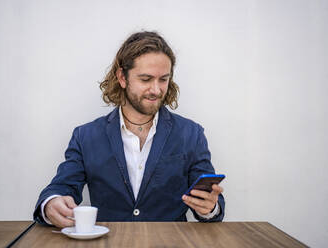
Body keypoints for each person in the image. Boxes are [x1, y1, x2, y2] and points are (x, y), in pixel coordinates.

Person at [33, 31, 225, 228]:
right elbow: (60, 187)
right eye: (145, 79)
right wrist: (51, 204)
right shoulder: (86, 136)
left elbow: (212, 202)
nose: (156, 89)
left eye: (163, 79)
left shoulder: (191, 134)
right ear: (122, 78)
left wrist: (210, 208)